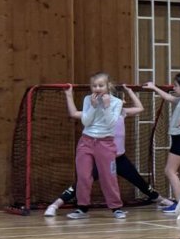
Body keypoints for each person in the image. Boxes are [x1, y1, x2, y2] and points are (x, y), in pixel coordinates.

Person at [46, 83, 159, 216]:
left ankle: (161, 200)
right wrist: (69, 95)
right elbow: (74, 113)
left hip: (120, 159)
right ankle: (55, 204)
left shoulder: (122, 112)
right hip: (102, 158)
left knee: (138, 181)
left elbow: (140, 108)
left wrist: (129, 91)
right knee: (83, 181)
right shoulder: (96, 114)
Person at [61, 73, 126, 219]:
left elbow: (111, 123)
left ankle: (116, 207)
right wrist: (93, 106)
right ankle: (82, 208)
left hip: (106, 143)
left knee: (108, 176)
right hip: (86, 141)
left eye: (101, 85)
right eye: (94, 86)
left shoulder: (116, 102)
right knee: (83, 176)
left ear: (108, 86)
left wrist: (106, 107)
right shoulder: (87, 99)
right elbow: (86, 122)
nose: (97, 88)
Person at [144, 73, 180, 214]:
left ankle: (179, 203)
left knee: (169, 171)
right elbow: (168, 97)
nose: (173, 88)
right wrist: (154, 87)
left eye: (176, 85)